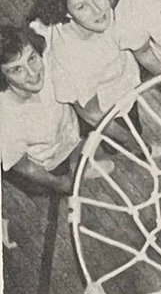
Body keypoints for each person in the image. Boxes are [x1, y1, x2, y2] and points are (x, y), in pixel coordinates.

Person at [29, 0, 142, 146]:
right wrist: (132, 142)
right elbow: (91, 113)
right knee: (121, 141)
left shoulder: (98, 17)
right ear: (67, 14)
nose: (98, 10)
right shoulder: (71, 58)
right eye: (81, 7)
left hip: (123, 85)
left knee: (133, 117)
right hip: (106, 110)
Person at [0, 25, 113, 196]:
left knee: (80, 149)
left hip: (70, 131)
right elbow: (24, 167)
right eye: (17, 69)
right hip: (51, 161)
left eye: (32, 58)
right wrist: (58, 182)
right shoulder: (6, 121)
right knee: (64, 178)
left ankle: (83, 166)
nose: (32, 73)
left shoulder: (48, 61)